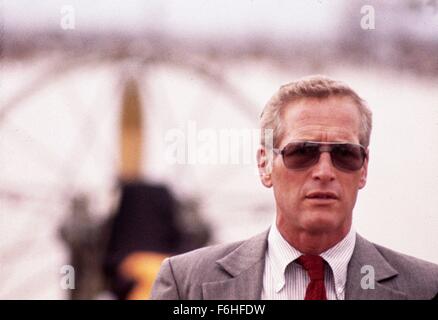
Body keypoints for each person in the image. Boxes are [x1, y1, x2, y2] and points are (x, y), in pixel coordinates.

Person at [150, 75, 438, 300]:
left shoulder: (426, 288)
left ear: (363, 168)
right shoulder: (187, 284)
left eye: (344, 155)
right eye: (301, 153)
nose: (324, 172)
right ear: (265, 165)